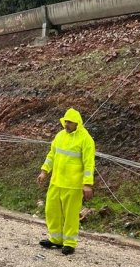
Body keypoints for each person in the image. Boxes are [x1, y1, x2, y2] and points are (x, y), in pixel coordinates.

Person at [36, 108, 95, 255]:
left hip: (73, 185)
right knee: (52, 211)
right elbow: (52, 155)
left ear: (77, 123)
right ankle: (55, 239)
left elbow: (89, 163)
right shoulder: (60, 136)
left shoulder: (86, 139)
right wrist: (44, 171)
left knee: (70, 215)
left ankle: (69, 243)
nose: (66, 124)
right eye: (65, 121)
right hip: (56, 182)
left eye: (70, 122)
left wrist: (87, 184)